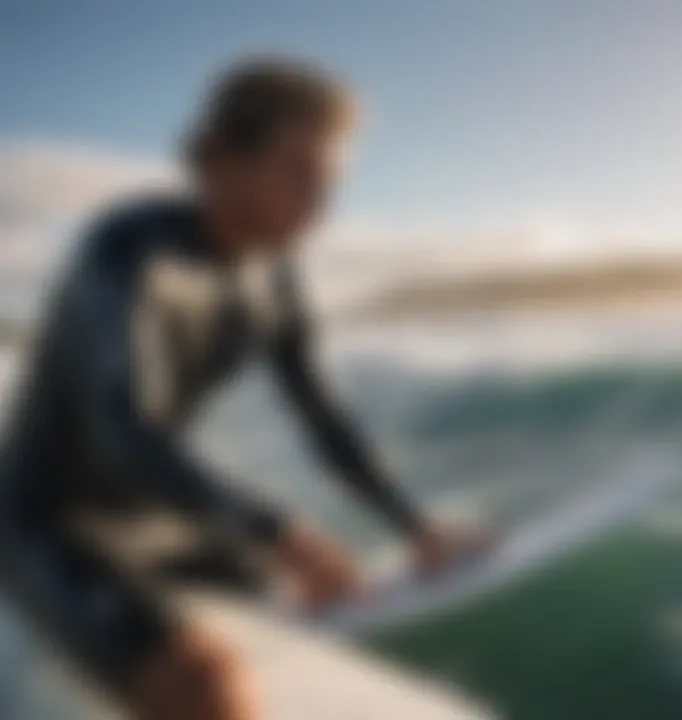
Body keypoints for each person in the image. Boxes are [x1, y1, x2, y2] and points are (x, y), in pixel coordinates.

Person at [0, 58, 485, 720]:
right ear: (221, 161)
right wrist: (279, 531)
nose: (322, 205)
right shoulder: (129, 252)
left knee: (289, 598)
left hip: (154, 519)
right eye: (300, 176)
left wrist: (416, 527)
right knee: (207, 687)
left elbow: (325, 419)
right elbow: (120, 426)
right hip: (44, 522)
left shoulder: (274, 278)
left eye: (330, 182)